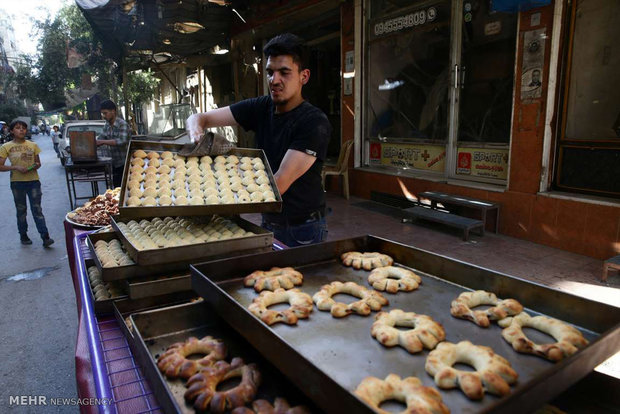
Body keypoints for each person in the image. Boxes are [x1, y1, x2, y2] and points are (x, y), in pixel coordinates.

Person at [186, 33, 331, 246]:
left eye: (284, 72)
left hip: (302, 228)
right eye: (270, 73)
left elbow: (277, 184)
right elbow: (199, 118)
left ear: (304, 76)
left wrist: (211, 199)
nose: (275, 80)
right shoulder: (261, 107)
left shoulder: (313, 122)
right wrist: (196, 133)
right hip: (269, 221)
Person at [0, 120, 54, 247]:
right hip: (17, 183)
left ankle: (45, 237)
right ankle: (23, 235)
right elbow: (0, 166)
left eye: (23, 128)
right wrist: (16, 168)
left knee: (37, 210)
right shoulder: (5, 147)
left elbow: (38, 163)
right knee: (21, 210)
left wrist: (32, 167)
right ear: (12, 131)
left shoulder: (33, 145)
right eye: (18, 128)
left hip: (33, 182)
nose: (21, 130)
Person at [96, 99, 131, 187]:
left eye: (105, 113)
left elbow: (121, 141)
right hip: (114, 164)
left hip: (125, 164)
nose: (104, 116)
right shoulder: (107, 125)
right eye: (102, 113)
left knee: (125, 188)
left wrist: (102, 142)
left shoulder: (122, 124)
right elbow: (101, 137)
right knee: (116, 189)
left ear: (113, 111)